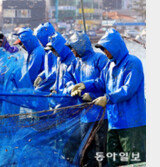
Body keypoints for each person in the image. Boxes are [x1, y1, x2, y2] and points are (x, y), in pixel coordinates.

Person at [71, 28, 146, 166]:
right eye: (103, 49)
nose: (105, 52)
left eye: (106, 49)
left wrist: (107, 98)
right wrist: (84, 85)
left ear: (115, 47)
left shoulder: (133, 63)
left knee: (134, 161)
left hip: (132, 123)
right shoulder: (110, 65)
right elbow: (100, 82)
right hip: (113, 123)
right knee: (113, 161)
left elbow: (128, 89)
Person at [63, 31, 109, 167]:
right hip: (85, 115)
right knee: (86, 150)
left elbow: (106, 82)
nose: (72, 51)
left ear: (80, 46)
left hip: (101, 114)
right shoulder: (76, 63)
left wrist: (93, 95)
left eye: (73, 47)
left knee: (101, 151)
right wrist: (72, 87)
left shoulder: (100, 59)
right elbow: (67, 78)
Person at [43, 32, 76, 108]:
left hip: (69, 100)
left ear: (59, 47)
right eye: (52, 50)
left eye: (54, 50)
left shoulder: (72, 60)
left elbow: (72, 81)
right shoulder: (59, 59)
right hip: (60, 97)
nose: (53, 52)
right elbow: (58, 78)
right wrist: (54, 88)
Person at [33, 22, 58, 92]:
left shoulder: (55, 51)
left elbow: (55, 73)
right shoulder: (48, 51)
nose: (38, 42)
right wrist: (42, 75)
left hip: (53, 89)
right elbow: (49, 69)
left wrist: (41, 88)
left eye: (39, 39)